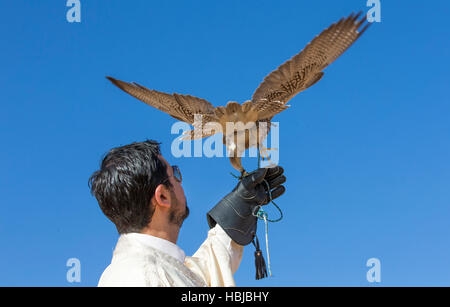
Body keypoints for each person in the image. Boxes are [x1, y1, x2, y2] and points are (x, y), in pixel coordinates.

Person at [89, 140, 286, 287]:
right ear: (163, 196)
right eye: (174, 174)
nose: (180, 181)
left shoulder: (152, 268)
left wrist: (236, 210)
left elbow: (201, 275)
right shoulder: (139, 277)